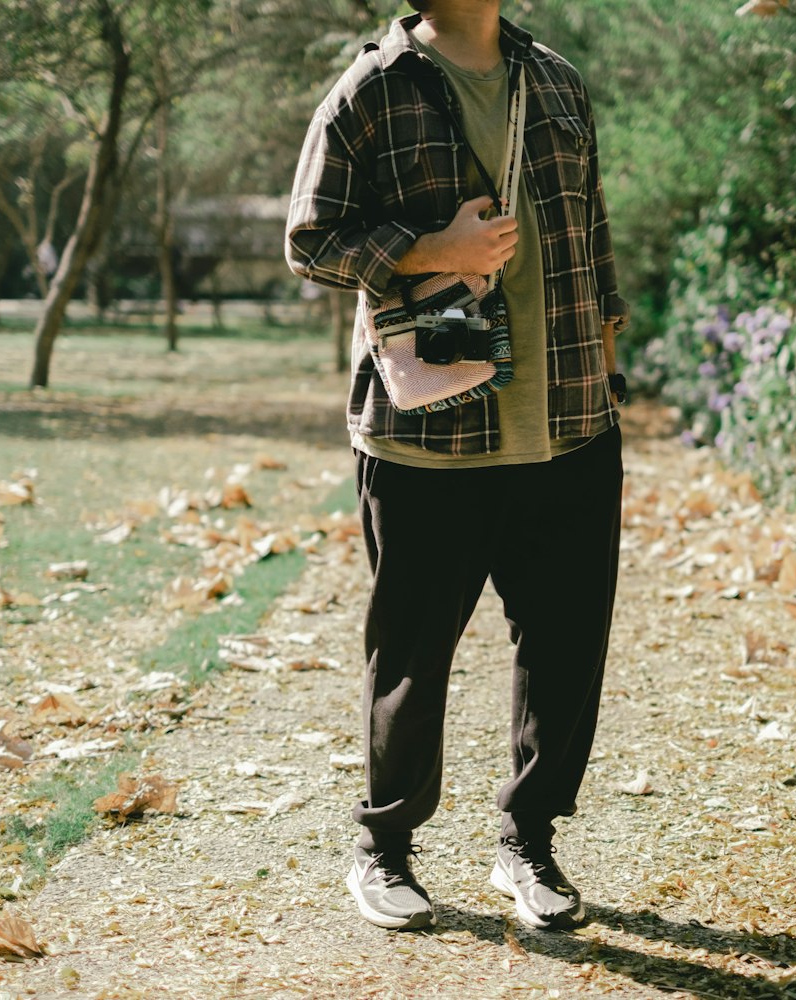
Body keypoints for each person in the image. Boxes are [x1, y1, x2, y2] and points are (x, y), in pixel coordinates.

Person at [285, 0, 628, 932]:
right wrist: (433, 251)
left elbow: (590, 234)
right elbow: (310, 239)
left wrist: (604, 367)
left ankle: (529, 842)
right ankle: (385, 851)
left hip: (569, 425)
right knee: (411, 652)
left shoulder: (557, 80)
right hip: (428, 437)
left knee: (564, 647)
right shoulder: (370, 91)